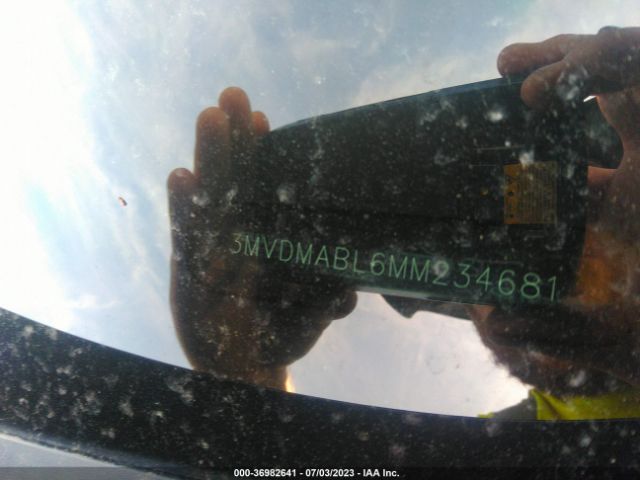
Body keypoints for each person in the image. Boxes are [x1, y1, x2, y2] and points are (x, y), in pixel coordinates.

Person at [167, 26, 640, 418]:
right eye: (473, 242)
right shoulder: (504, 447)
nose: (565, 254)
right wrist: (243, 380)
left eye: (550, 211)